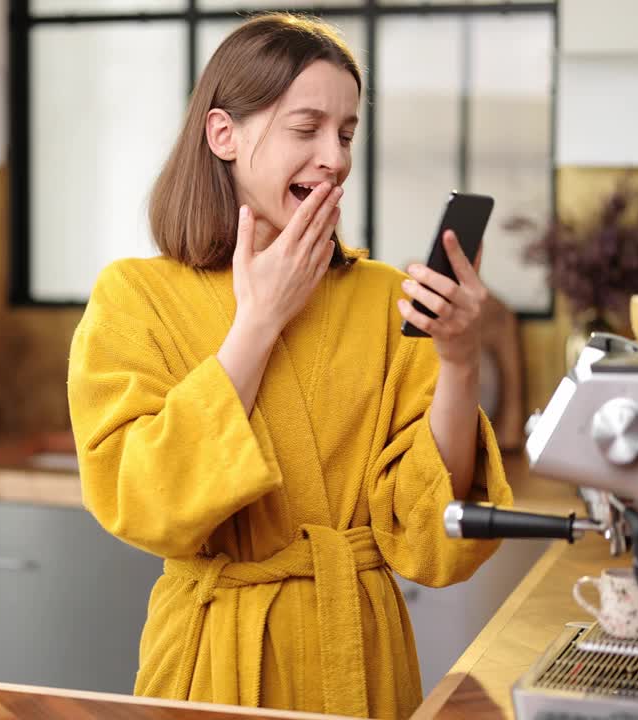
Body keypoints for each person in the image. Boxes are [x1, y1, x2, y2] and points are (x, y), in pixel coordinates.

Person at [67, 13, 512, 719]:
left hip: (360, 665)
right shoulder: (134, 297)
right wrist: (258, 322)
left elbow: (431, 532)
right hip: (214, 667)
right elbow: (144, 501)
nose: (334, 158)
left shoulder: (381, 300)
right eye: (306, 129)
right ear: (224, 135)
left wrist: (457, 362)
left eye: (346, 133)